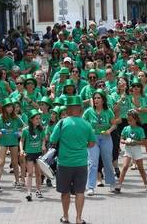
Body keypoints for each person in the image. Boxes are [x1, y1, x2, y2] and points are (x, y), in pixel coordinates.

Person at [50, 96, 96, 224]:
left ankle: (65, 216)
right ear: (80, 109)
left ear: (69, 109)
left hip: (64, 163)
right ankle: (78, 218)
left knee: (65, 192)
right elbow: (92, 143)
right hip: (81, 163)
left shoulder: (62, 123)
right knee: (80, 191)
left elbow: (53, 140)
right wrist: (82, 146)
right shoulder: (86, 124)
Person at [83, 89, 117, 195]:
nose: (96, 100)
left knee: (107, 160)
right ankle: (91, 187)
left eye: (98, 98)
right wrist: (89, 130)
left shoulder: (108, 111)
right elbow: (83, 124)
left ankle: (112, 183)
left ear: (103, 100)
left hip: (106, 138)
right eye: (95, 98)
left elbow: (114, 124)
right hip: (93, 139)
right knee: (93, 162)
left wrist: (109, 131)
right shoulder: (88, 111)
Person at [115, 109, 147, 192]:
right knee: (125, 167)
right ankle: (119, 185)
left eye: (131, 120)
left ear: (136, 119)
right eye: (128, 120)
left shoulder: (140, 129)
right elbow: (122, 139)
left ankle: (146, 184)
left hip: (136, 150)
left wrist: (135, 142)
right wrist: (125, 141)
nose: (129, 122)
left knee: (141, 168)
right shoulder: (126, 128)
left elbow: (143, 142)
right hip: (128, 150)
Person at [0, 98, 23, 191]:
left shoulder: (16, 117)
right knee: (1, 162)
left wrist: (19, 132)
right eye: (8, 106)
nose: (10, 108)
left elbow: (24, 127)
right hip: (3, 142)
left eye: (11, 106)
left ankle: (17, 181)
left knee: (15, 162)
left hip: (13, 142)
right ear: (4, 108)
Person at [20, 109, 46, 201]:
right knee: (30, 173)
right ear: (31, 120)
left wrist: (43, 145)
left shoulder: (41, 129)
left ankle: (38, 191)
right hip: (29, 153)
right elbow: (21, 141)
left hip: (38, 153)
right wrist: (22, 149)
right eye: (36, 119)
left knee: (38, 173)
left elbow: (43, 139)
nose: (38, 120)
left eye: (39, 118)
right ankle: (29, 192)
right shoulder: (25, 131)